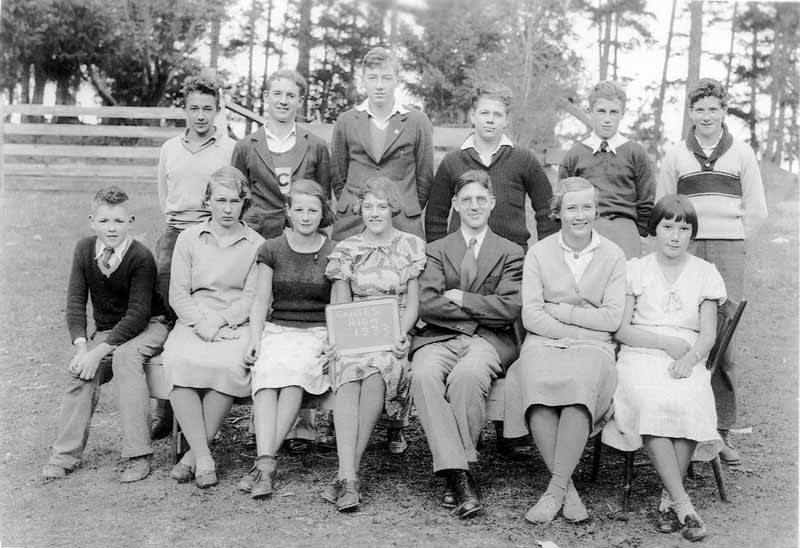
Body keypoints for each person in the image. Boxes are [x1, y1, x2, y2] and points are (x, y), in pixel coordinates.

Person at [603, 195, 726, 542]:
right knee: (653, 401)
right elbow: (622, 329)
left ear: (692, 234)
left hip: (688, 355)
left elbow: (708, 335)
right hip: (642, 352)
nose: (674, 236)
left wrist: (688, 359)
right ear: (654, 230)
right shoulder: (636, 269)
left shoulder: (705, 273)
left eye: (683, 229)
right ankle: (682, 502)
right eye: (667, 227)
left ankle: (668, 501)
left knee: (688, 398)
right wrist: (665, 345)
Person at [503, 177, 626, 524]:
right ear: (558, 212)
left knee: (579, 390)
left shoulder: (613, 255)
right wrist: (574, 329)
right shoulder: (540, 253)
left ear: (597, 210)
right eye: (572, 207)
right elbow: (531, 315)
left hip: (594, 345)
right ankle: (565, 489)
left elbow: (613, 317)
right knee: (536, 384)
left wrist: (566, 315)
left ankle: (554, 491)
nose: (580, 215)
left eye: (587, 207)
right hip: (545, 340)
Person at [657, 78, 767, 466]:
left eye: (714, 109)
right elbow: (665, 204)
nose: (706, 116)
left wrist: (732, 237)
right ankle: (681, 424)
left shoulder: (741, 153)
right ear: (690, 113)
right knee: (686, 326)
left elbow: (756, 208)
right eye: (699, 109)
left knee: (724, 336)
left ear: (724, 112)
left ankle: (720, 433)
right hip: (688, 246)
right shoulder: (676, 155)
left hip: (727, 247)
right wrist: (682, 240)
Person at [410, 170, 524, 519]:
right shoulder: (436, 250)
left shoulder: (511, 251)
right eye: (466, 200)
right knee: (423, 374)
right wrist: (479, 309)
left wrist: (460, 297)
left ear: (491, 203)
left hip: (489, 340)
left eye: (480, 199)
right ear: (456, 205)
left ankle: (454, 474)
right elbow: (427, 302)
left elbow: (509, 307)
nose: (474, 206)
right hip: (439, 337)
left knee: (468, 375)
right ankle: (461, 474)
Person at [41, 187, 169, 483]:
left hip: (150, 324)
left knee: (125, 358)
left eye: (119, 221)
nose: (112, 228)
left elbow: (138, 315)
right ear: (92, 221)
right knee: (81, 372)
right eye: (105, 221)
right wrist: (82, 348)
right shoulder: (84, 250)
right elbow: (75, 302)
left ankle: (138, 455)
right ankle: (64, 455)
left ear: (131, 221)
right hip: (109, 331)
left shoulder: (140, 257)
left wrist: (99, 352)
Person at [322, 177, 426, 512]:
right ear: (360, 209)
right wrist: (338, 339)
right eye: (368, 206)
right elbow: (340, 301)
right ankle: (349, 475)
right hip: (354, 332)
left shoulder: (411, 245)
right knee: (350, 373)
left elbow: (412, 303)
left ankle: (345, 474)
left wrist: (402, 334)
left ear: (393, 207)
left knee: (377, 373)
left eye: (381, 206)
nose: (375, 213)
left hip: (392, 331)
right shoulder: (346, 249)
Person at [162, 167, 265, 489]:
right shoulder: (189, 238)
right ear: (207, 201)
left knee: (229, 365)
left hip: (234, 321)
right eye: (220, 200)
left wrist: (220, 322)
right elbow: (177, 292)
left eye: (235, 201)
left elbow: (251, 296)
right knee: (179, 362)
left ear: (243, 204)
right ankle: (205, 457)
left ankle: (193, 456)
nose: (227, 208)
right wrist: (201, 323)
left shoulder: (256, 243)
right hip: (194, 317)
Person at [237, 180, 337, 499]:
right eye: (299, 210)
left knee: (293, 376)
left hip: (315, 332)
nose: (306, 216)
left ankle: (264, 464)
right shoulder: (272, 248)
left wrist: (332, 341)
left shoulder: (333, 251)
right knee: (266, 375)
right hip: (279, 328)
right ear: (287, 212)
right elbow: (259, 301)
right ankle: (266, 463)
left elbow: (337, 306)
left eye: (313, 210)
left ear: (323, 213)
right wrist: (255, 337)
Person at [152, 75, 236, 439]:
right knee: (170, 314)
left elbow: (233, 192)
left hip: (213, 231)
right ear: (184, 110)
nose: (200, 116)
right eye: (194, 109)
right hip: (175, 233)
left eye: (208, 109)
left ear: (218, 111)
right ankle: (165, 407)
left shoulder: (229, 148)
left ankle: (205, 400)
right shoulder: (170, 147)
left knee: (209, 308)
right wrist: (175, 227)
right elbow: (163, 190)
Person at [425, 82, 558, 250]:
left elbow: (547, 209)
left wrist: (546, 254)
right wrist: (440, 257)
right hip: (463, 257)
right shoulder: (452, 161)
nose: (490, 120)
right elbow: (435, 216)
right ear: (473, 116)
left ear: (506, 120)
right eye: (484, 113)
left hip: (512, 260)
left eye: (497, 114)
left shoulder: (524, 159)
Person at [330, 46, 434, 240]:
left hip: (402, 221)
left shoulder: (417, 122)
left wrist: (403, 204)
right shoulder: (346, 121)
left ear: (396, 81)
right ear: (363, 81)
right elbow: (338, 176)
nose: (379, 85)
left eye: (386, 78)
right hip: (354, 221)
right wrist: (357, 202)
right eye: (372, 77)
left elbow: (425, 178)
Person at [559, 80, 655, 259]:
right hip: (585, 225)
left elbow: (646, 200)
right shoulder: (575, 154)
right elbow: (562, 200)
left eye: (614, 112)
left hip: (625, 228)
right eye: (601, 111)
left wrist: (639, 233)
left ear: (622, 114)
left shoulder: (635, 152)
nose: (607, 119)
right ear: (590, 112)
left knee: (624, 281)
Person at [232, 69, 331, 240]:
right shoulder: (245, 147)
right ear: (265, 96)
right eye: (277, 94)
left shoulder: (317, 146)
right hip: (257, 235)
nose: (283, 101)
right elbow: (237, 197)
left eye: (291, 96)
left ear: (300, 101)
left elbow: (324, 199)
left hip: (303, 238)